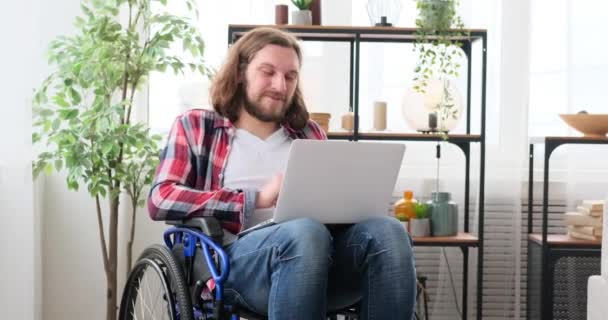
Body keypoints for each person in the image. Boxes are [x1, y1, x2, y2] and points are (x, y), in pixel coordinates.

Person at [148, 27, 416, 320]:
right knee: (304, 231)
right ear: (240, 73)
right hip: (234, 265)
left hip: (320, 262)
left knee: (388, 231)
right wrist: (255, 199)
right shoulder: (197, 126)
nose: (280, 85)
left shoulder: (309, 133)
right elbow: (161, 198)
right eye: (268, 72)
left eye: (290, 76)